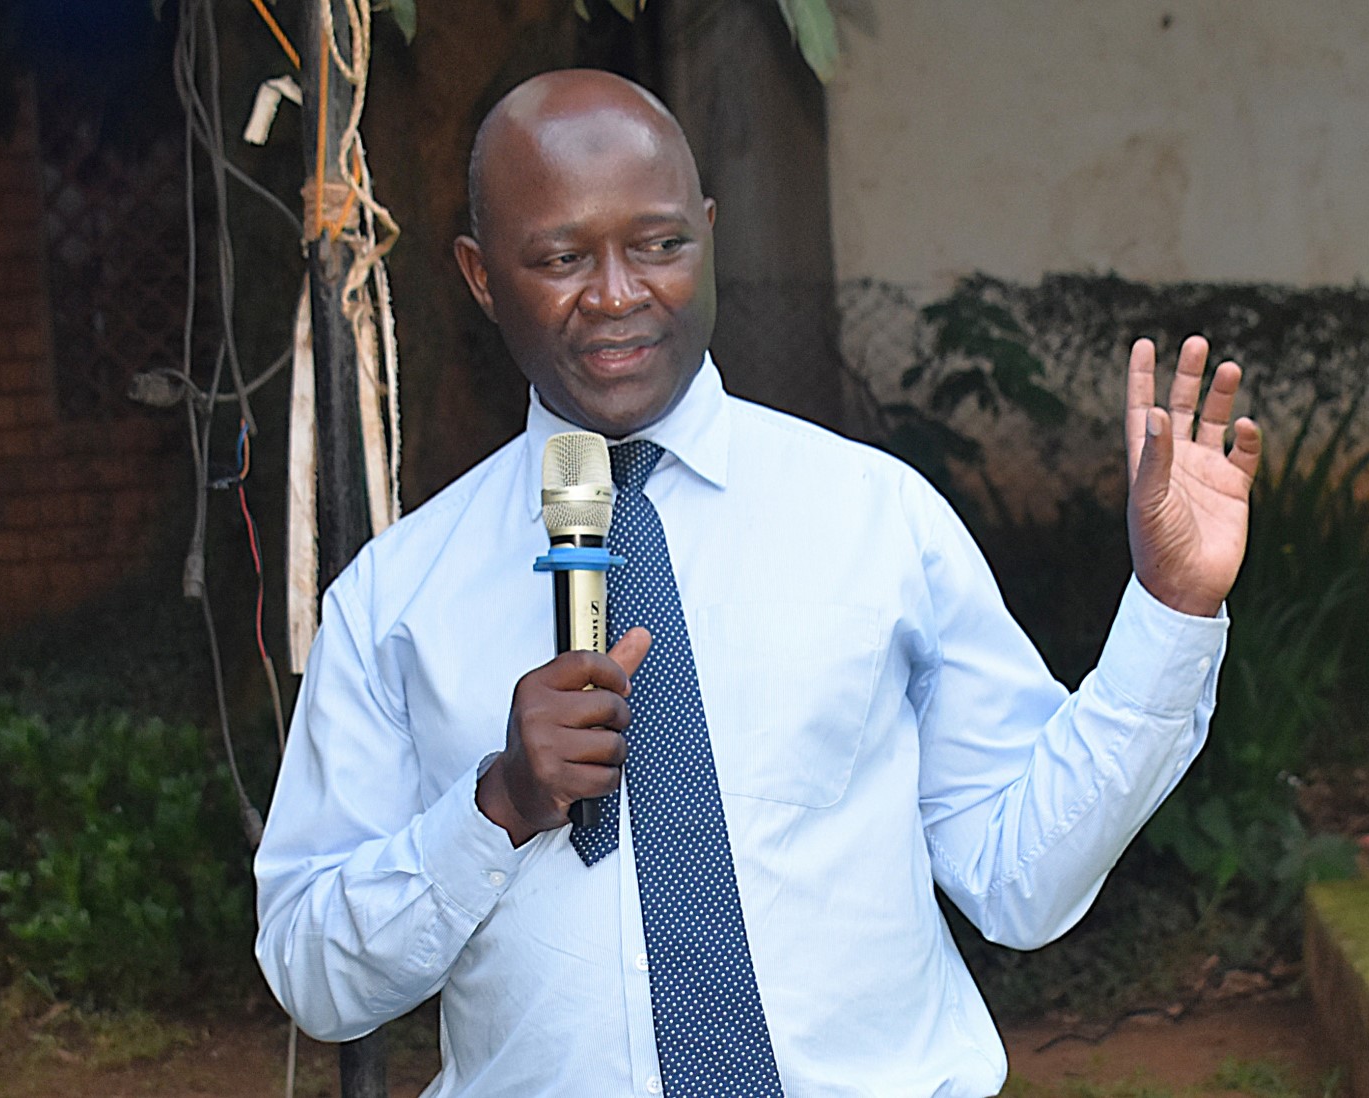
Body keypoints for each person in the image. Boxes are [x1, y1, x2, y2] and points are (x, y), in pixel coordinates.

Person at [254, 69, 1262, 1097]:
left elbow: (1021, 881)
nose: (615, 293)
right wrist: (497, 804)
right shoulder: (396, 600)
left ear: (708, 231)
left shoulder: (878, 521)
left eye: (658, 245)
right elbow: (313, 975)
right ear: (479, 276)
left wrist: (1172, 610)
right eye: (561, 257)